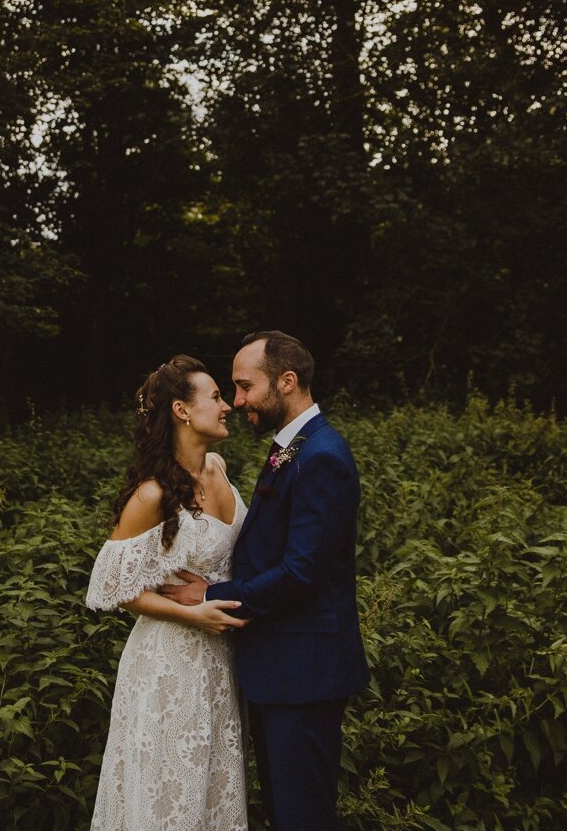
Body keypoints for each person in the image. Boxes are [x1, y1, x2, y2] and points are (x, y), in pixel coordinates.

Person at [158, 330, 370, 830]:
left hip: (305, 674)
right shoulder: (292, 448)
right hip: (283, 669)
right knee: (287, 813)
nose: (237, 401)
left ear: (287, 381)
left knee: (304, 817)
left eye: (245, 386)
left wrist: (210, 594)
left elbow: (301, 575)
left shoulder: (321, 458)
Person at [84, 355, 252, 830]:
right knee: (167, 794)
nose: (227, 407)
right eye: (216, 397)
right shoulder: (153, 496)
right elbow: (114, 587)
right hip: (167, 664)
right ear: (182, 410)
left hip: (219, 665)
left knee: (211, 792)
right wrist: (194, 616)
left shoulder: (217, 469)